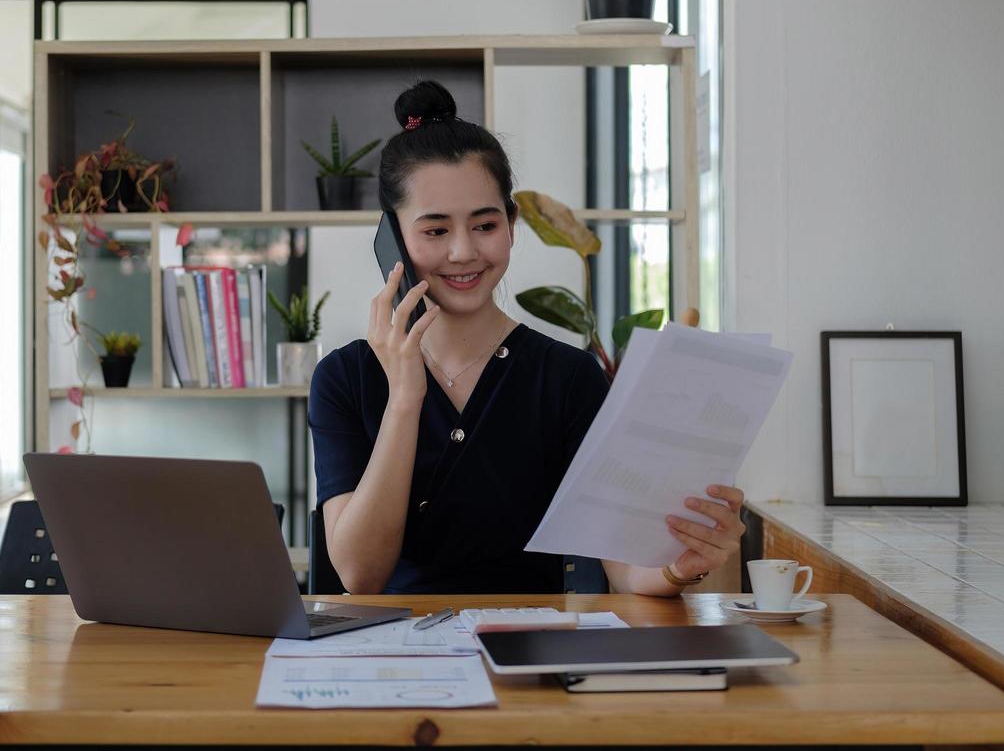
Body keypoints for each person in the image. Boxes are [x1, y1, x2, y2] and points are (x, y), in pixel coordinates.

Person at [308, 80, 746, 595]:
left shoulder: (568, 377)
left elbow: (620, 568)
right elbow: (361, 575)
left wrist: (678, 565)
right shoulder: (345, 377)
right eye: (435, 230)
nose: (464, 252)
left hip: (528, 652)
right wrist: (405, 397)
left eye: (485, 224)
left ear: (511, 226)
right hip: (393, 661)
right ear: (392, 238)